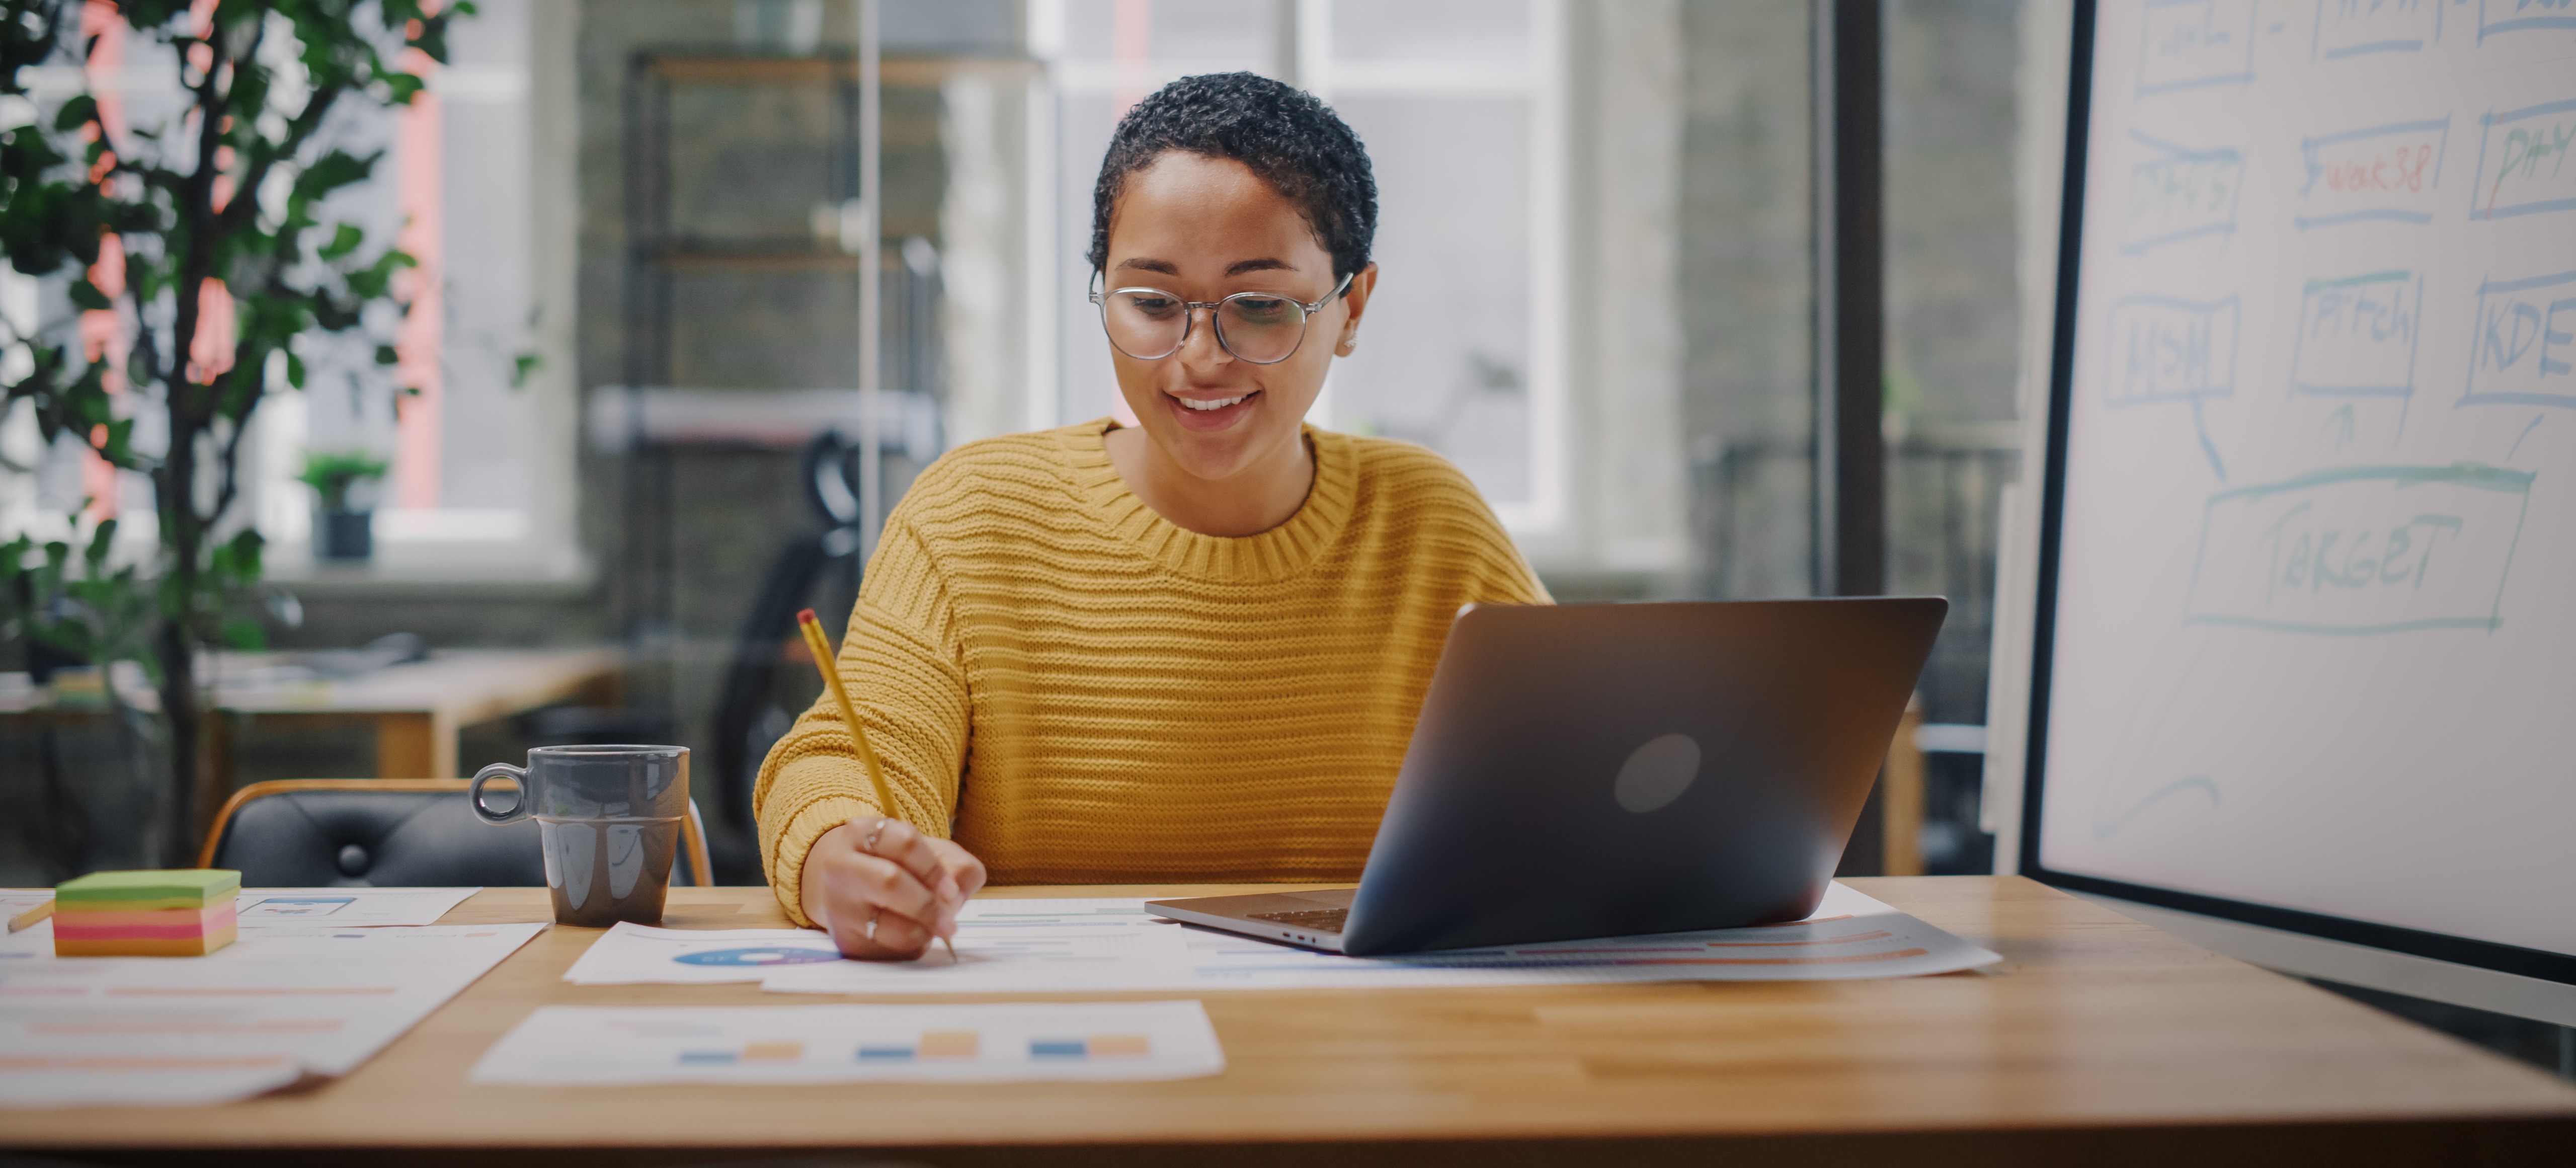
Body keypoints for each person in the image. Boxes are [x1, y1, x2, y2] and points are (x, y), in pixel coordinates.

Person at [757, 72, 1548, 960]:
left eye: (1258, 306)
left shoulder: (1433, 524)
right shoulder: (973, 516)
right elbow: (839, 763)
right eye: (1153, 302)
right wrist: (845, 857)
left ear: (1351, 308)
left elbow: (1580, 785)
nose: (1199, 359)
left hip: (1367, 1058)